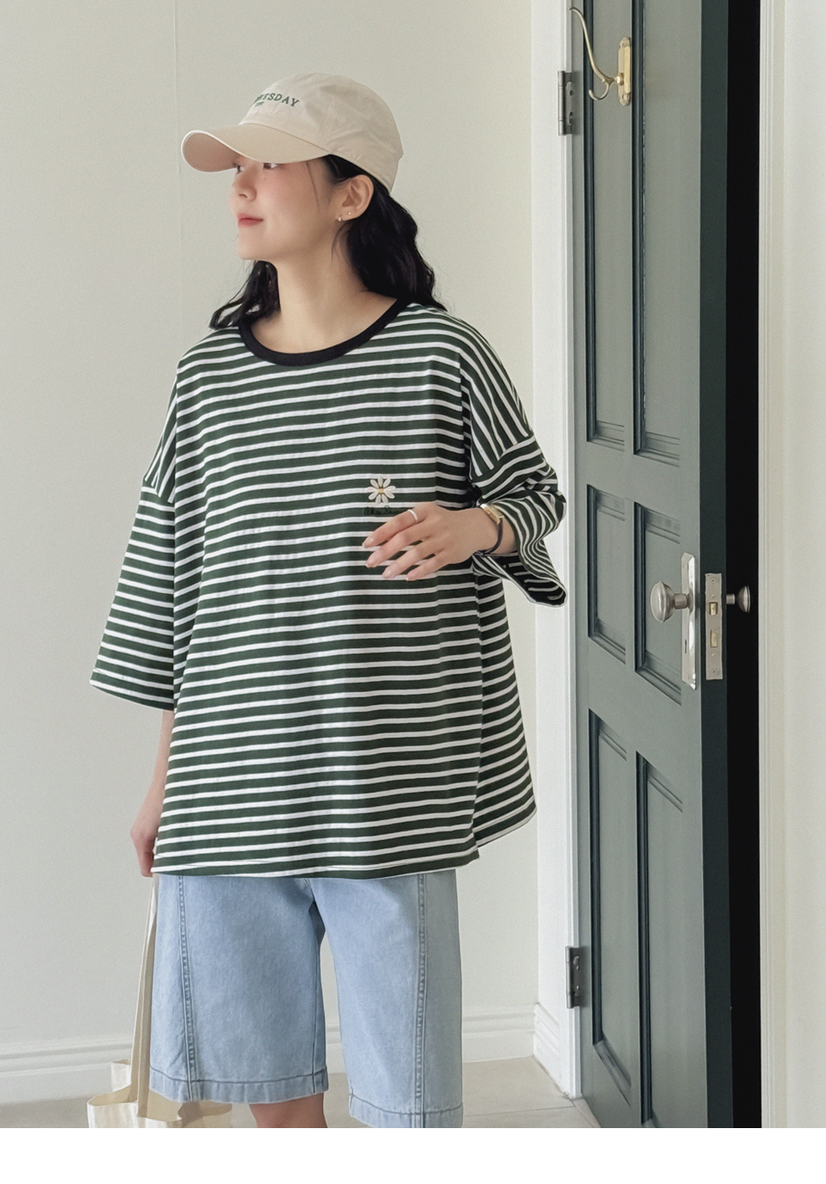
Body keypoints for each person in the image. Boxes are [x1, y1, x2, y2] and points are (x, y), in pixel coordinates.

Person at [90, 72, 566, 1129]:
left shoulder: (440, 354)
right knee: (270, 1107)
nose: (240, 187)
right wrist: (163, 787)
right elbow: (176, 590)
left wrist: (474, 526)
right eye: (236, 167)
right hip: (230, 788)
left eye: (269, 164)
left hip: (383, 788)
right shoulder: (206, 379)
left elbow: (535, 495)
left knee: (409, 1111)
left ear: (353, 194)